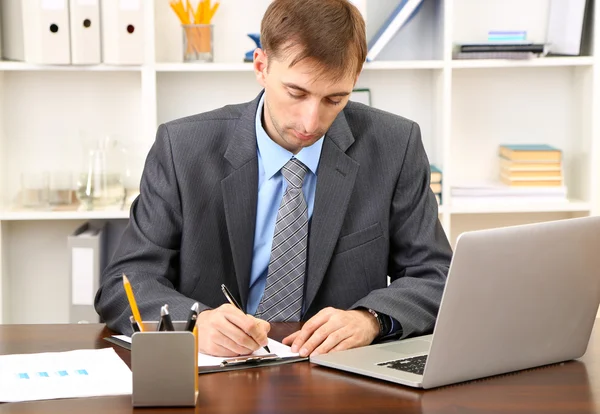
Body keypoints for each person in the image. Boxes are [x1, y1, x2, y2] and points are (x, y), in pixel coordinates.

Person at [95, 0, 452, 358]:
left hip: (337, 370)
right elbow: (124, 281)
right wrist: (194, 324)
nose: (311, 122)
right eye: (296, 93)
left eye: (334, 98)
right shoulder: (182, 149)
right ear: (261, 67)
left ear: (355, 80)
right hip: (219, 372)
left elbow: (437, 275)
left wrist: (370, 319)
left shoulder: (395, 146)